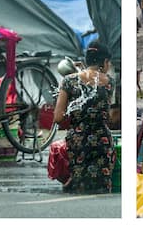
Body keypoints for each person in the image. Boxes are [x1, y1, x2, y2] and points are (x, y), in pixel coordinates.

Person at [53, 40, 116, 193]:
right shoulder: (109, 82)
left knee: (80, 185)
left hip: (77, 142)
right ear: (105, 62)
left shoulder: (69, 81)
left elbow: (58, 118)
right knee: (102, 188)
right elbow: (111, 117)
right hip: (102, 140)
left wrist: (75, 113)